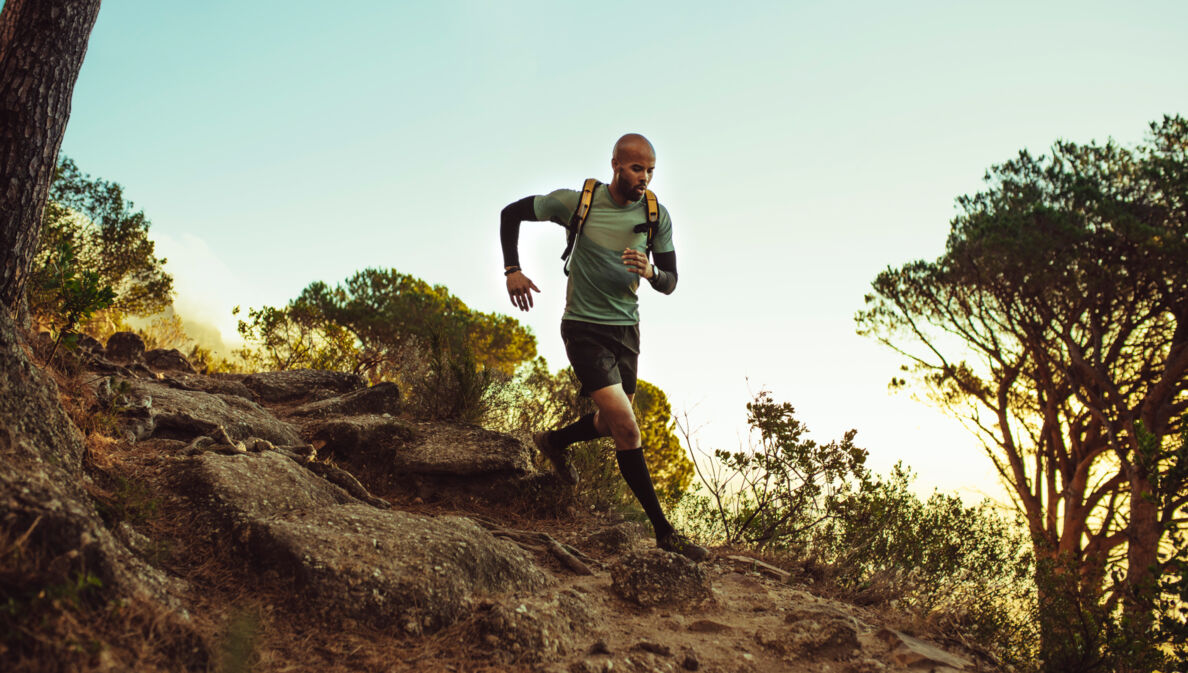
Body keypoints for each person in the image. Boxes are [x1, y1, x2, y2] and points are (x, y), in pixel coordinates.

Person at [499, 133, 708, 562]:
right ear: (616, 165)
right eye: (636, 169)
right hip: (583, 327)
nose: (644, 178)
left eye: (650, 170)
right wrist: (512, 270)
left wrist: (650, 271)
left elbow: (671, 282)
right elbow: (511, 213)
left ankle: (554, 441)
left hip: (626, 331)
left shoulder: (656, 216)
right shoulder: (577, 203)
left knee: (613, 423)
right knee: (628, 429)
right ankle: (664, 532)